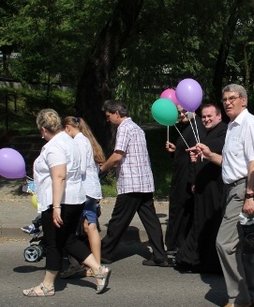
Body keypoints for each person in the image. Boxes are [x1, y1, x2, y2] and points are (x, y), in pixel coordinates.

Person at [192, 84, 254, 307]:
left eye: (232, 98)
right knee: (247, 247)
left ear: (243, 100)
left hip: (246, 187)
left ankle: (238, 297)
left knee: (224, 243)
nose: (227, 102)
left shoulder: (250, 124)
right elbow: (231, 162)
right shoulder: (233, 127)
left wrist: (249, 195)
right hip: (235, 187)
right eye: (224, 99)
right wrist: (208, 153)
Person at [22, 109, 110, 296]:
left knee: (54, 242)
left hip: (62, 201)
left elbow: (60, 175)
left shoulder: (55, 146)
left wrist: (55, 207)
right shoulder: (70, 141)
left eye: (41, 132)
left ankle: (47, 286)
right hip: (75, 198)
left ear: (44, 129)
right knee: (68, 239)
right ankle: (98, 269)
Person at [99, 100, 170, 266]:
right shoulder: (137, 128)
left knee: (118, 220)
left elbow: (117, 155)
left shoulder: (123, 128)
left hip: (131, 182)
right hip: (144, 181)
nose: (108, 120)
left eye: (109, 116)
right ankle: (160, 255)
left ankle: (106, 253)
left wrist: (101, 169)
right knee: (151, 220)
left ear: (117, 113)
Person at [176, 103, 227, 272]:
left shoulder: (224, 131)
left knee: (210, 223)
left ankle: (205, 261)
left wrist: (205, 154)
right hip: (203, 186)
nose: (206, 119)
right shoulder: (206, 133)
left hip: (215, 186)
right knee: (201, 222)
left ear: (219, 116)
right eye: (204, 116)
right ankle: (193, 258)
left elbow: (219, 154)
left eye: (209, 116)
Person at [60, 116, 106, 278]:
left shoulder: (78, 142)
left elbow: (80, 169)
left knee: (71, 230)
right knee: (90, 227)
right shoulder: (86, 140)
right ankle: (97, 265)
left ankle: (78, 264)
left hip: (83, 190)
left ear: (67, 128)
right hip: (92, 190)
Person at [164, 106, 201, 254]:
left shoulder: (197, 128)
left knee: (182, 211)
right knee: (180, 210)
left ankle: (177, 245)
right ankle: (176, 244)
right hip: (182, 176)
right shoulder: (188, 127)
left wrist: (193, 180)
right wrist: (175, 150)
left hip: (187, 178)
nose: (181, 114)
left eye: (184, 110)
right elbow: (185, 152)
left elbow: (196, 157)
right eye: (179, 112)